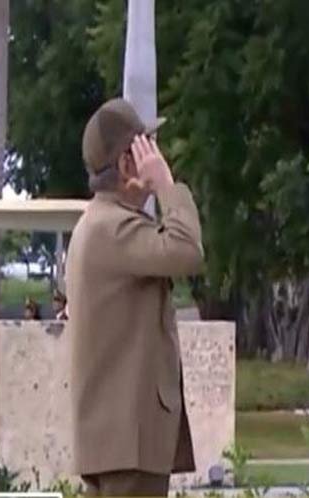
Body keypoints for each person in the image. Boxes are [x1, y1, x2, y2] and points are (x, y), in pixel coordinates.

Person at [66, 98, 204, 497]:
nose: (156, 157)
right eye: (147, 149)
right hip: (128, 444)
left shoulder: (98, 226)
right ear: (128, 164)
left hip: (117, 444)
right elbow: (188, 249)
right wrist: (165, 184)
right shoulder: (112, 229)